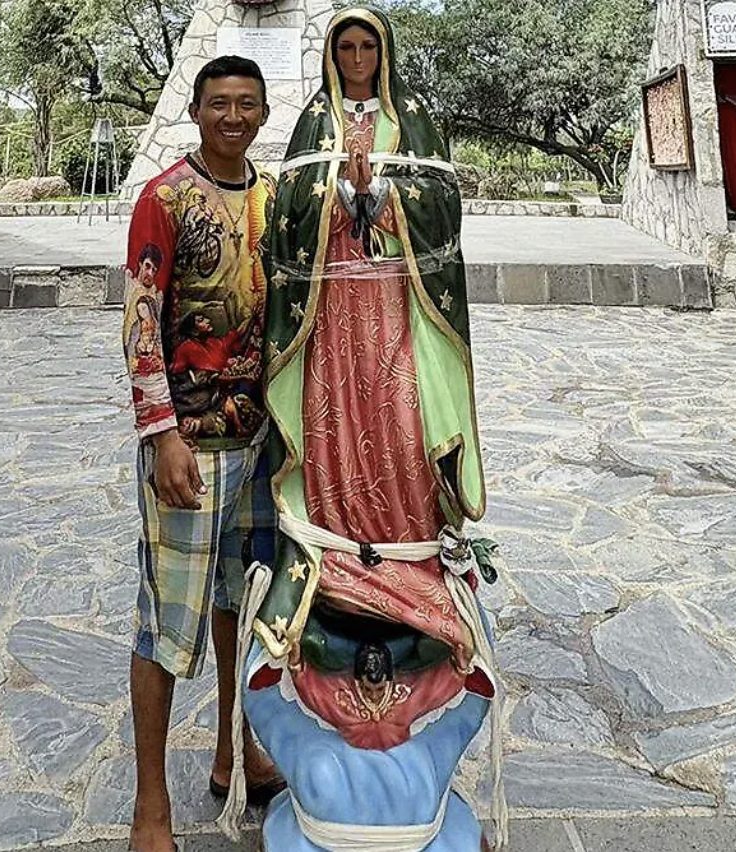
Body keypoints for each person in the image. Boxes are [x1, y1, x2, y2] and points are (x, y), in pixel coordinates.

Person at [216, 6, 505, 849]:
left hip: (395, 306)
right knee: (334, 423)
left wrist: (383, 192)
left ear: (385, 52)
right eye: (343, 48)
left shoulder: (416, 117)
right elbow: (290, 211)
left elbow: (443, 202)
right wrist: (334, 188)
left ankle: (406, 549)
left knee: (401, 428)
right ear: (334, 56)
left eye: (365, 47)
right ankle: (336, 544)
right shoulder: (312, 120)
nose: (354, 59)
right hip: (332, 311)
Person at [121, 55, 286, 852]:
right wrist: (161, 434)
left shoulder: (274, 197)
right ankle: (151, 805)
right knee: (165, 624)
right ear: (195, 110)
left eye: (245, 104)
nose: (232, 115)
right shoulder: (165, 199)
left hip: (259, 442)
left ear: (262, 113)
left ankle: (236, 749)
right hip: (190, 446)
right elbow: (141, 320)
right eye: (218, 102)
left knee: (242, 608)